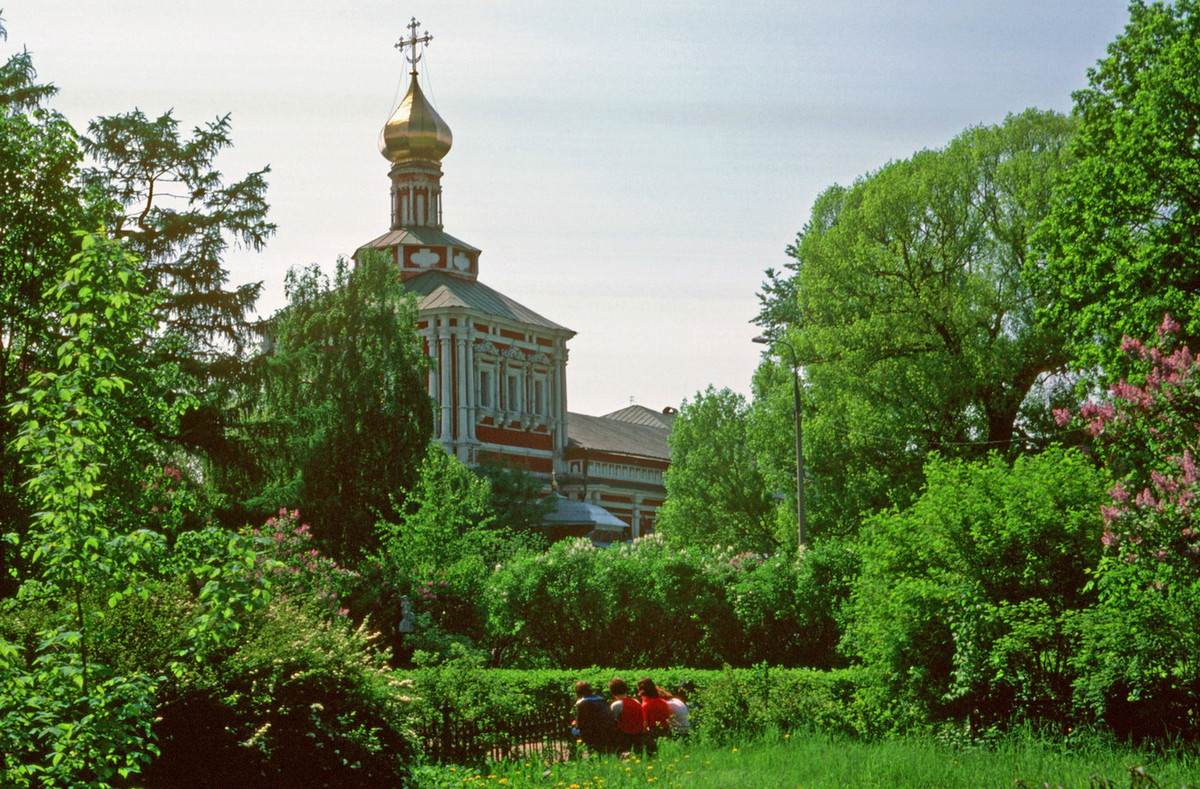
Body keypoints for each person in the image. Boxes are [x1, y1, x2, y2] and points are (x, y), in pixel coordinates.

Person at [571, 681, 619, 754]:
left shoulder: (581, 703)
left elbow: (580, 724)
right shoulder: (601, 699)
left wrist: (575, 723)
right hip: (605, 730)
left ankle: (576, 754)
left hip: (590, 733)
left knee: (573, 731)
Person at [608, 677, 643, 754]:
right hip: (639, 734)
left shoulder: (616, 705)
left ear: (612, 692)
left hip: (625, 735)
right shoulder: (636, 701)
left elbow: (612, 721)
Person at [637, 678, 672, 753]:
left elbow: (645, 724)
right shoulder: (663, 701)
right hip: (666, 730)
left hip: (654, 731)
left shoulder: (646, 705)